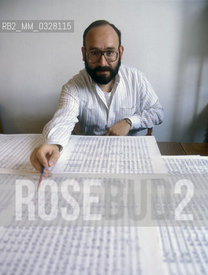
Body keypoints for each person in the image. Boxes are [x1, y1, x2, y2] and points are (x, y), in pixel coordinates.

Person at [30, 20, 164, 172]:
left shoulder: (137, 79)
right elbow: (63, 119)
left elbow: (157, 112)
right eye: (94, 53)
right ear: (84, 54)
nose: (102, 62)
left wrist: (129, 122)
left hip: (129, 159)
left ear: (120, 53)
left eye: (110, 52)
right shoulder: (72, 87)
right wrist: (54, 144)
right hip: (87, 162)